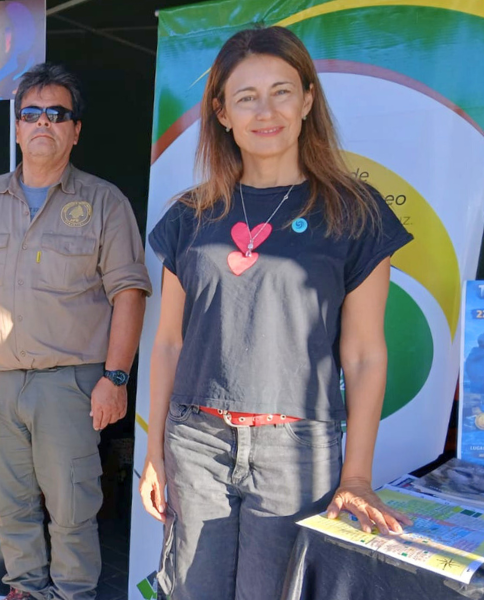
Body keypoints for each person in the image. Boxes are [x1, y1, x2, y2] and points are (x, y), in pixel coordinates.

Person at [138, 26, 413, 600]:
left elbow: (364, 354)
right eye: (246, 97)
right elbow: (167, 343)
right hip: (197, 445)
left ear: (308, 100)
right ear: (222, 113)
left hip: (297, 453)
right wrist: (155, 451)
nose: (266, 111)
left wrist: (357, 475)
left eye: (282, 91)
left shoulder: (355, 213)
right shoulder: (189, 216)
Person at [0, 62, 152, 600]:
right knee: (10, 504)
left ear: (75, 130)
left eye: (57, 114)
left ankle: (73, 593)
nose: (43, 123)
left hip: (69, 385)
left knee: (72, 508)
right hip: (0, 382)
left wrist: (116, 378)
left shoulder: (104, 202)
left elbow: (129, 293)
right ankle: (27, 590)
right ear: (17, 128)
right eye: (31, 113)